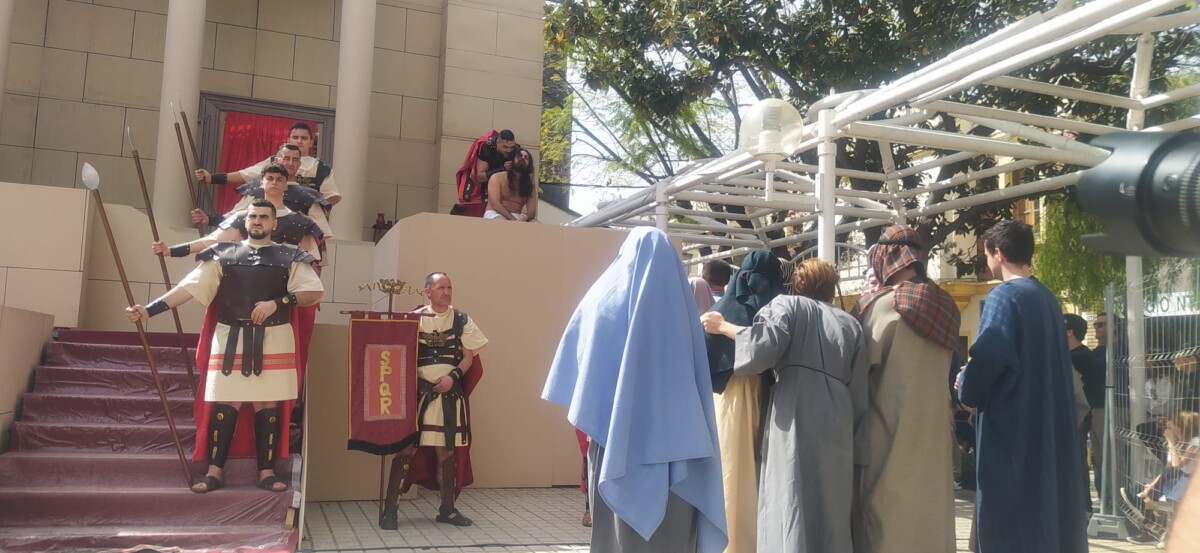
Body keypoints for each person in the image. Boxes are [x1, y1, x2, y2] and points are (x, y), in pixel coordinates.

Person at [543, 227, 727, 553]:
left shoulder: (599, 301)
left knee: (615, 536)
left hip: (614, 441)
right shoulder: (683, 311)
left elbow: (582, 374)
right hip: (678, 449)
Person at [125, 200, 324, 493]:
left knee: (268, 405)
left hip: (274, 338)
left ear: (273, 224)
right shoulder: (223, 253)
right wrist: (149, 310)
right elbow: (189, 287)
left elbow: (313, 292)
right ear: (245, 221)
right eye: (252, 216)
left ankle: (266, 472)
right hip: (229, 336)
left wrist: (278, 303)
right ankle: (214, 471)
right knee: (224, 405)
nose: (257, 220)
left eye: (263, 217)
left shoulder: (291, 256)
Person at [702, 258, 868, 553]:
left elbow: (760, 350)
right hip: (839, 417)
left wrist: (724, 326)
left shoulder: (786, 307)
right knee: (831, 500)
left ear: (798, 283)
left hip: (796, 409)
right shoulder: (850, 323)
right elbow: (859, 388)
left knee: (790, 493)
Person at [956, 220, 1088, 553]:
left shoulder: (1004, 296)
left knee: (1008, 523)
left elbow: (989, 356)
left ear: (997, 253)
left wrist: (964, 385)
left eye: (986, 253)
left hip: (1012, 433)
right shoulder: (1046, 297)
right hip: (1046, 429)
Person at [852, 225, 961, 553]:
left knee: (885, 518)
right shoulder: (947, 307)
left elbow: (856, 373)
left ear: (887, 258)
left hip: (889, 435)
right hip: (934, 438)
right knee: (931, 520)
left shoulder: (881, 307)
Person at [378, 272, 487, 529]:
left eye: (449, 286)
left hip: (449, 395)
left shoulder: (462, 320)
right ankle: (390, 510)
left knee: (447, 452)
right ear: (428, 291)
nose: (446, 292)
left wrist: (453, 377)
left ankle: (447, 510)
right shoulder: (413, 320)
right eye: (441, 287)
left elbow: (468, 358)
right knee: (406, 450)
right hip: (419, 395)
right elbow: (396, 354)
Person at [702, 249, 787, 553]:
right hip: (759, 398)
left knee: (732, 475)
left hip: (726, 399)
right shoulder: (778, 309)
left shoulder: (719, 314)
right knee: (749, 474)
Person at [194, 144, 334, 239]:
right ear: (278, 160)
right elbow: (233, 217)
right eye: (286, 158)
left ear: (299, 164)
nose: (290, 163)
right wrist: (209, 220)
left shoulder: (307, 196)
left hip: (292, 258)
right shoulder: (257, 190)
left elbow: (321, 233)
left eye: (294, 160)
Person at [196, 122, 342, 206]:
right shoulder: (274, 161)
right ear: (288, 140)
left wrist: (310, 208)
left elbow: (332, 196)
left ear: (311, 142)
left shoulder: (322, 169)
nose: (299, 141)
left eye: (304, 138)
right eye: (295, 137)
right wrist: (212, 178)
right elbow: (246, 174)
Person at [1065, 313, 1106, 500]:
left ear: (1069, 332)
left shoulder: (1078, 357)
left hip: (1085, 413)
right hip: (1084, 413)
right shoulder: (1079, 355)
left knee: (1081, 459)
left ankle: (1087, 503)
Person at [484, 148, 537, 221]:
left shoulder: (530, 186)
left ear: (529, 166)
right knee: (503, 223)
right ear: (512, 160)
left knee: (536, 224)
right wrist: (513, 221)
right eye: (519, 156)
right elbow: (496, 204)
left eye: (526, 158)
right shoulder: (496, 177)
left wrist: (525, 217)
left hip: (517, 217)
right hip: (495, 214)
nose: (522, 158)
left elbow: (532, 211)